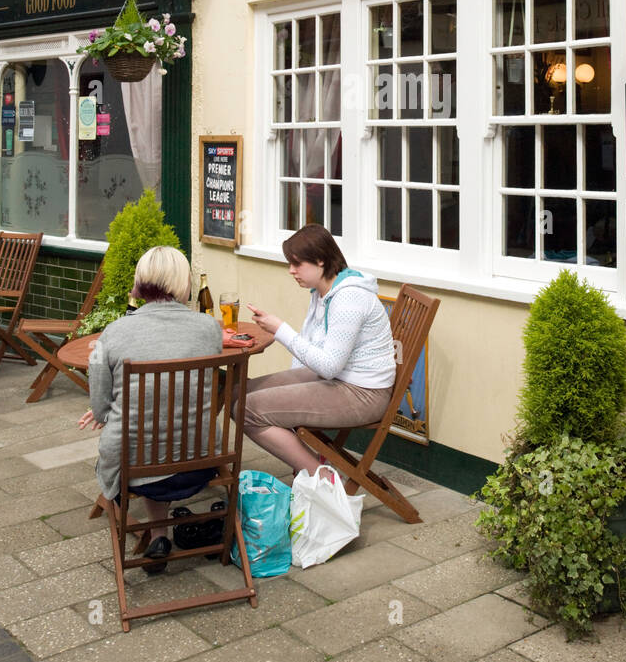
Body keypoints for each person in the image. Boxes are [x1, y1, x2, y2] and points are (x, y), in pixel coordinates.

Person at [78, 246, 224, 572]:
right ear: (183, 281)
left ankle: (159, 533)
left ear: (139, 283)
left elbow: (100, 409)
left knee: (146, 447)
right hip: (202, 460)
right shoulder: (209, 328)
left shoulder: (113, 334)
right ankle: (160, 532)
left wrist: (110, 411)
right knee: (163, 441)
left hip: (137, 472)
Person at [240, 223, 396, 477]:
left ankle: (321, 476)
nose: (291, 271)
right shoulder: (325, 291)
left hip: (362, 392)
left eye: (297, 264)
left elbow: (329, 365)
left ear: (321, 261)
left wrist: (280, 330)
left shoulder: (348, 298)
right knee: (238, 393)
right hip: (340, 379)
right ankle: (312, 459)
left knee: (247, 409)